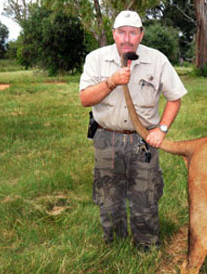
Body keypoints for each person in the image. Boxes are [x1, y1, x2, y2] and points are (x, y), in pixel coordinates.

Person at [79, 10, 187, 251]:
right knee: (108, 198)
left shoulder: (157, 60)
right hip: (106, 137)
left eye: (133, 32)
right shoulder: (96, 59)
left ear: (141, 35)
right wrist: (111, 81)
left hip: (144, 140)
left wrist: (162, 129)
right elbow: (85, 98)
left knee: (145, 197)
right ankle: (114, 245)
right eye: (121, 32)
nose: (127, 38)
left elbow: (175, 98)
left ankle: (146, 247)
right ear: (114, 34)